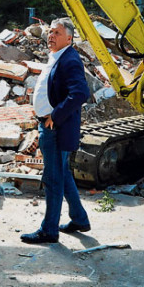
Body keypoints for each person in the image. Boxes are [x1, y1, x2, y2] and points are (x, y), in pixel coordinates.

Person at [21, 17, 92, 244]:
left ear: (69, 38)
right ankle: (80, 219)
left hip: (56, 129)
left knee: (53, 179)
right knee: (62, 174)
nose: (51, 36)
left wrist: (55, 116)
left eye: (57, 33)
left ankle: (49, 230)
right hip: (52, 127)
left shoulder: (70, 60)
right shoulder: (59, 56)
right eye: (50, 32)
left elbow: (80, 94)